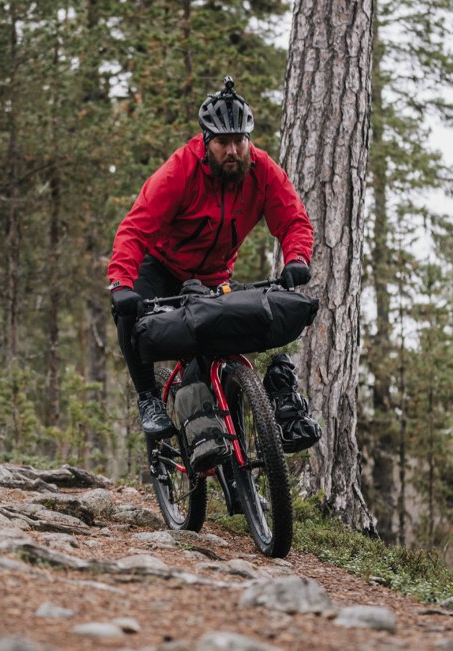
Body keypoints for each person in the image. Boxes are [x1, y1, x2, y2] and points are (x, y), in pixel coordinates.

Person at [108, 76, 319, 450]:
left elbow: (293, 220)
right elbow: (135, 228)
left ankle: (261, 428)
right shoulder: (180, 170)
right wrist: (122, 284)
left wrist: (297, 257)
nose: (233, 150)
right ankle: (149, 400)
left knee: (240, 330)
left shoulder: (262, 171)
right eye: (223, 142)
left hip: (211, 277)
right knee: (128, 312)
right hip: (160, 266)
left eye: (240, 140)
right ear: (206, 142)